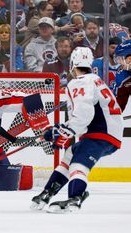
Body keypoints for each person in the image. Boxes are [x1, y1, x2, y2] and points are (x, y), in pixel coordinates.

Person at [31, 47, 123, 213]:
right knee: (70, 155)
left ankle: (75, 198)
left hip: (100, 134)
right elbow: (83, 114)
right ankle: (47, 192)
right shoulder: (95, 80)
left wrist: (64, 132)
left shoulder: (80, 81)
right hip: (106, 133)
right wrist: (63, 129)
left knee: (78, 163)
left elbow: (83, 114)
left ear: (72, 64)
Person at [113, 39, 131, 111]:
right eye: (118, 59)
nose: (119, 63)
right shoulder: (122, 76)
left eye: (120, 59)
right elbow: (118, 104)